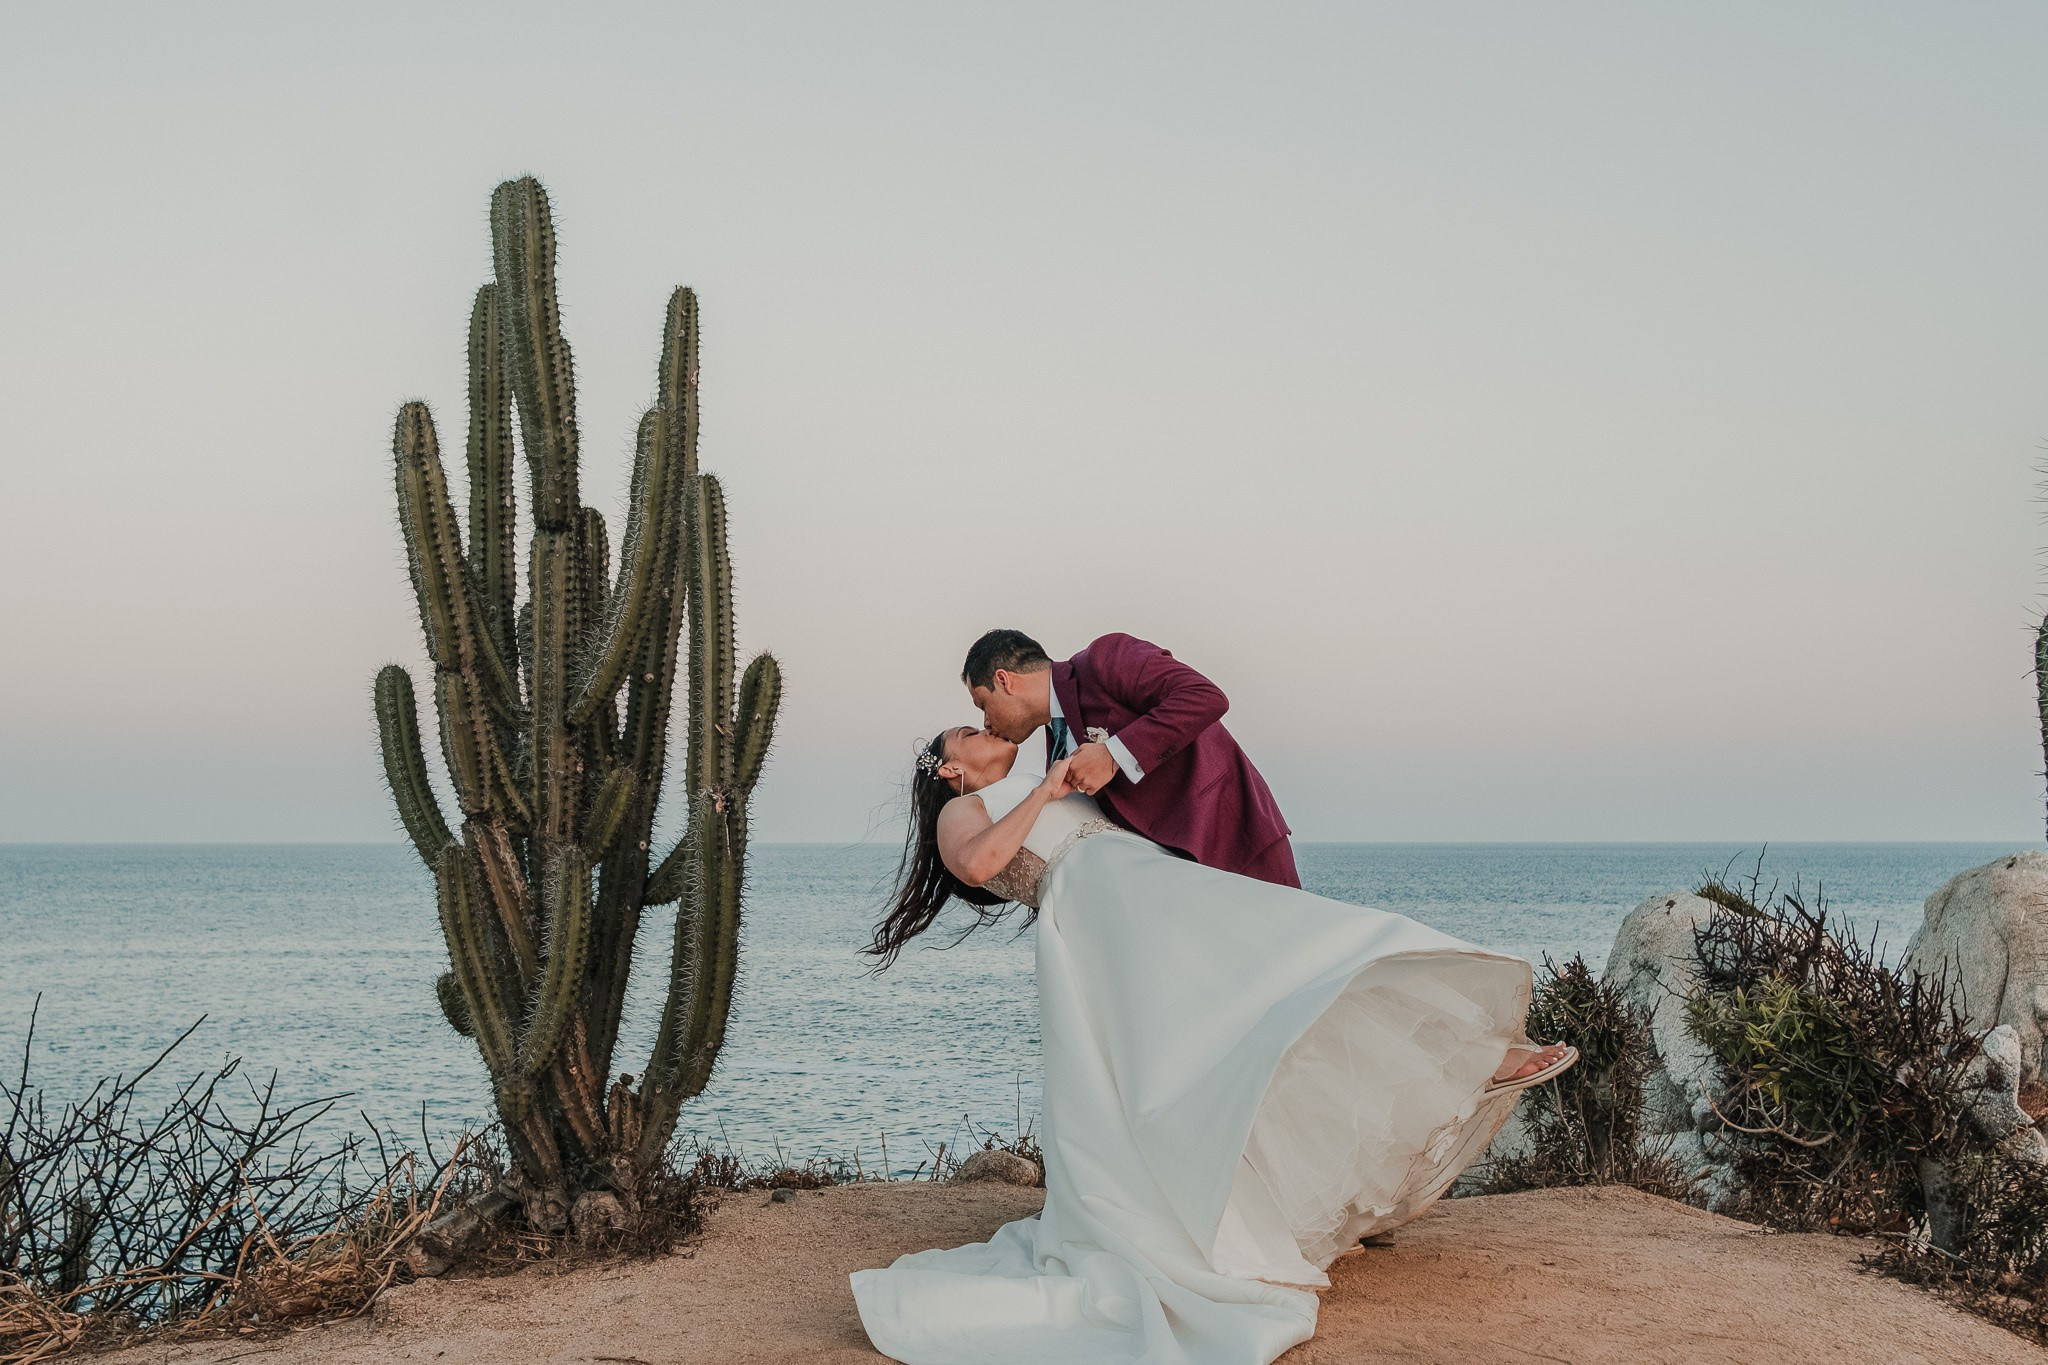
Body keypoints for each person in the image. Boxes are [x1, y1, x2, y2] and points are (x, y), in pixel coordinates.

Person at [849, 725, 1576, 1365]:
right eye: (966, 734)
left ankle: (1469, 1054)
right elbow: (978, 864)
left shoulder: (1036, 774)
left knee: (1274, 988)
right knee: (1205, 1047)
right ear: (949, 768)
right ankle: (1466, 1059)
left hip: (1153, 890)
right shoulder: (960, 807)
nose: (982, 731)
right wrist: (1045, 787)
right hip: (1106, 917)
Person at [963, 628, 1301, 887]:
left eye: (982, 704)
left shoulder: (1104, 658)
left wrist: (1114, 753)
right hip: (1180, 882)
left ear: (1004, 681)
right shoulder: (1056, 745)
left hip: (1234, 841)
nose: (986, 722)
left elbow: (1204, 696)